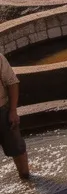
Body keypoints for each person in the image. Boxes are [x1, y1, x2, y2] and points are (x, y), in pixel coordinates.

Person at [0, 52, 28, 183]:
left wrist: (12, 110)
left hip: (3, 110)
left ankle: (26, 178)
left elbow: (12, 82)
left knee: (17, 148)